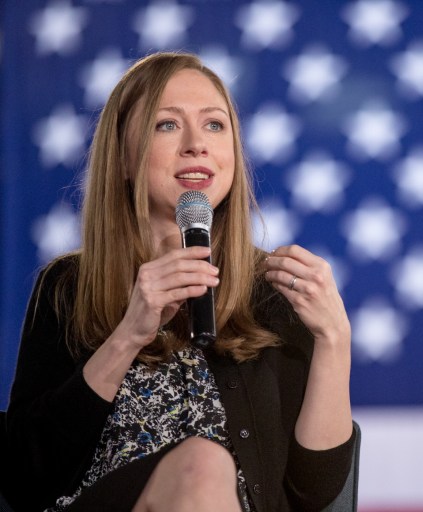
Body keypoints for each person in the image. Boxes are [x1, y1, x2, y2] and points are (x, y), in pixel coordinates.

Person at [3, 51, 355, 511]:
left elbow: (313, 494)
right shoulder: (68, 287)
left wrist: (335, 338)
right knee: (202, 464)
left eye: (215, 125)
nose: (196, 144)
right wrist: (128, 335)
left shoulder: (272, 291)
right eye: (166, 125)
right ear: (124, 158)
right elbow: (24, 478)